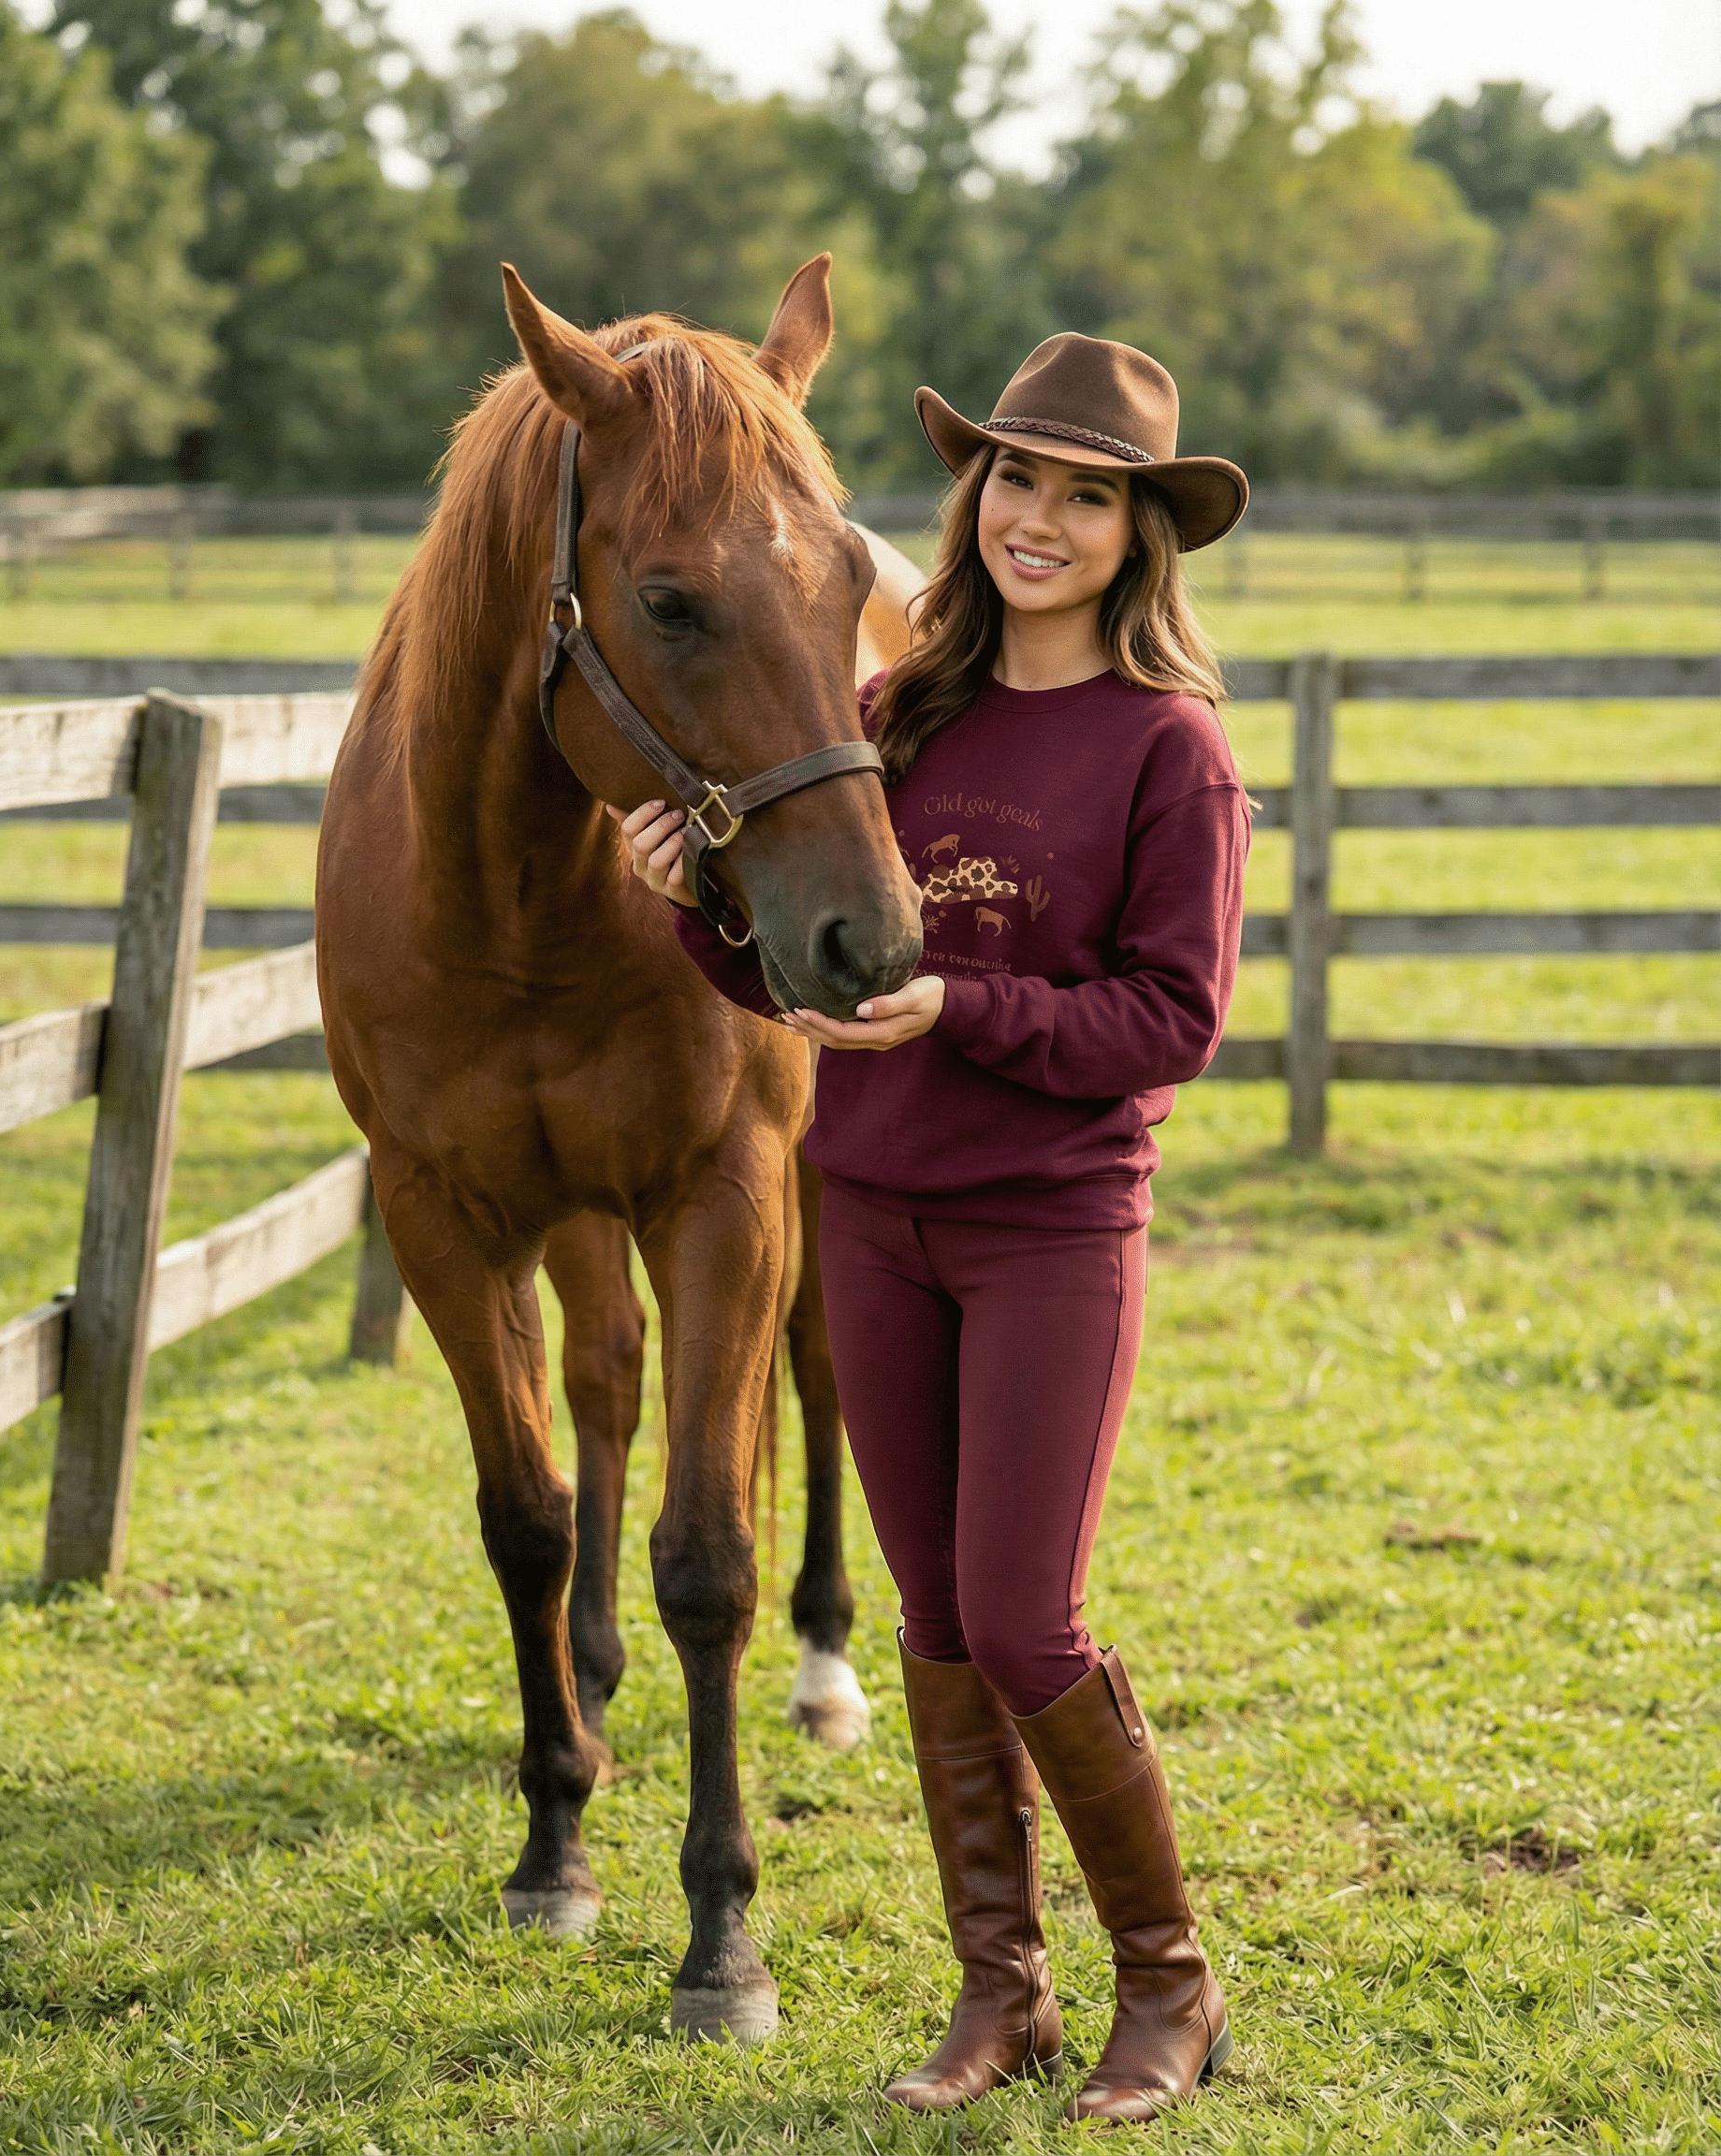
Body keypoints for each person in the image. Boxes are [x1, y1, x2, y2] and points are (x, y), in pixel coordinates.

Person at [622, 334, 1250, 2128]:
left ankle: (1168, 1985)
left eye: (1090, 494)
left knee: (1026, 1620)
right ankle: (1005, 1990)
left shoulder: (1169, 751)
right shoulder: (898, 719)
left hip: (1050, 1228)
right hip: (870, 1213)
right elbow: (818, 969)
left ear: (1143, 535)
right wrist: (695, 915)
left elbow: (1172, 1023)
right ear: (970, 499)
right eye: (1018, 480)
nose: (1041, 518)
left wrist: (962, 1013)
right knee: (933, 1623)